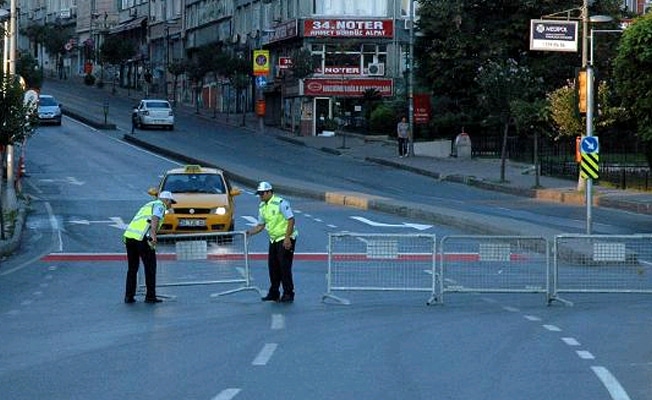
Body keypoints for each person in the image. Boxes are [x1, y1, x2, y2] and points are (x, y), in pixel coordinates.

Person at [246, 181, 298, 303]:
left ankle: (288, 293)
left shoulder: (280, 203)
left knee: (284, 267)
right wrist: (248, 233)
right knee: (273, 267)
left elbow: (291, 220)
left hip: (285, 238)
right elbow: (260, 225)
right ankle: (274, 292)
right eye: (259, 194)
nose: (260, 196)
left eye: (262, 194)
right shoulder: (262, 207)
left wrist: (287, 238)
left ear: (269, 192)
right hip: (274, 239)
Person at [123, 190, 177, 304]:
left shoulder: (148, 205)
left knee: (132, 268)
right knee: (150, 267)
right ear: (166, 200)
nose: (170, 205)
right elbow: (155, 218)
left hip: (129, 237)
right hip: (143, 238)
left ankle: (129, 296)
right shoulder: (160, 205)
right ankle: (150, 296)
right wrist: (153, 235)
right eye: (170, 202)